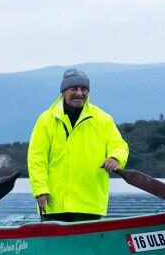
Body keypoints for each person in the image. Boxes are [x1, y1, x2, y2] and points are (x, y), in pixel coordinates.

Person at [27, 68, 129, 221]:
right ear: (63, 91)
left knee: (88, 245)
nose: (80, 93)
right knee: (56, 245)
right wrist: (41, 190)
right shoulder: (45, 120)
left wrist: (115, 158)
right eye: (74, 89)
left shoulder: (103, 119)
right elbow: (36, 159)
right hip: (54, 203)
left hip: (89, 203)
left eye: (84, 89)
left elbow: (120, 146)